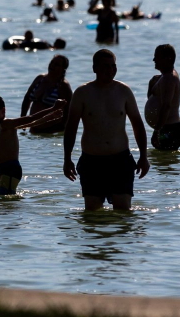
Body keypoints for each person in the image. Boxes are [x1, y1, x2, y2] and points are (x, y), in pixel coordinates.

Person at [63, 50, 149, 211]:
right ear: (94, 68)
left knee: (123, 212)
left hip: (120, 160)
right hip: (92, 161)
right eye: (105, 66)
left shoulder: (124, 91)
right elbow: (71, 128)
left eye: (113, 66)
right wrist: (67, 159)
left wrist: (144, 156)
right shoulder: (82, 93)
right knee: (92, 213)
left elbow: (138, 125)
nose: (110, 70)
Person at [0, 94, 66, 195]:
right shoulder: (4, 126)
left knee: (6, 203)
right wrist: (49, 117)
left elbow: (31, 118)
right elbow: (29, 124)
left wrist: (53, 108)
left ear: (3, 111)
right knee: (1, 199)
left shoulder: (6, 123)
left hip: (10, 169)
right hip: (5, 170)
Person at [22, 55, 74, 134]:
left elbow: (69, 111)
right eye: (52, 62)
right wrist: (23, 119)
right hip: (33, 129)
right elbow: (27, 98)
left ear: (63, 69)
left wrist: (63, 129)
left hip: (51, 132)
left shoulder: (63, 86)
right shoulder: (40, 79)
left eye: (56, 64)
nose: (52, 65)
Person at [146, 44, 180, 151]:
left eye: (157, 56)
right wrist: (151, 85)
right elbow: (152, 99)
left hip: (169, 129)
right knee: (162, 163)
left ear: (168, 58)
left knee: (164, 164)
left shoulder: (169, 79)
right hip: (167, 128)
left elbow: (166, 106)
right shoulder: (164, 78)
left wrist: (156, 131)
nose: (154, 59)